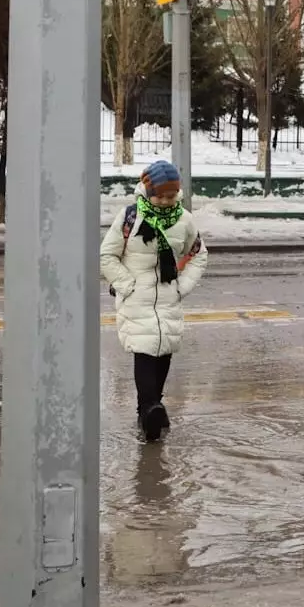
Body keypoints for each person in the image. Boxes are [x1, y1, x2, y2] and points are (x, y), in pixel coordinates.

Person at [100, 160, 209, 442]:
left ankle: (149, 408)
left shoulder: (183, 219)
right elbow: (107, 256)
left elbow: (198, 254)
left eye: (171, 196)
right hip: (137, 298)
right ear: (148, 192)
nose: (165, 201)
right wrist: (127, 285)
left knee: (164, 351)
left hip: (168, 298)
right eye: (160, 196)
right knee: (145, 351)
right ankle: (150, 408)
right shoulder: (130, 217)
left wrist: (182, 287)